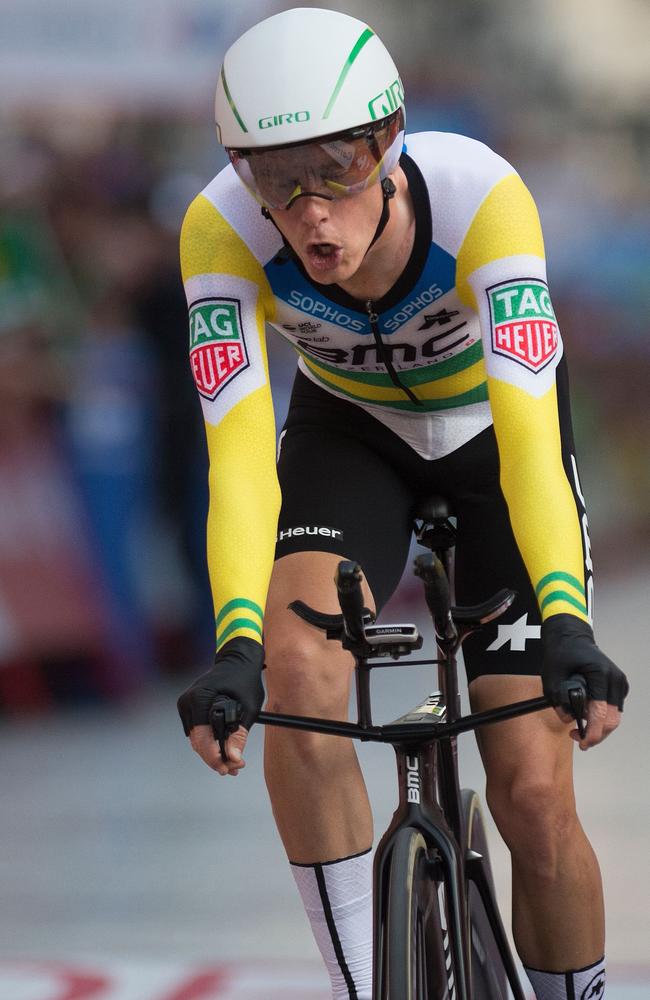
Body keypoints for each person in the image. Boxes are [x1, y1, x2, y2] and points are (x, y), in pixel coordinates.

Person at [176, 8, 628, 999]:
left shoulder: (482, 199)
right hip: (352, 441)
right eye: (272, 179)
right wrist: (236, 644)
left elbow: (527, 439)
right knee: (297, 673)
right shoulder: (217, 230)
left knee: (530, 785)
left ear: (385, 144)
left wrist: (565, 621)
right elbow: (243, 458)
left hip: (488, 446)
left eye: (332, 169)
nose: (307, 213)